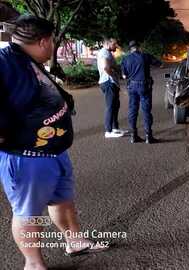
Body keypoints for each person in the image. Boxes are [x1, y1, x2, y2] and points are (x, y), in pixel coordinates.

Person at [0, 16, 108, 270]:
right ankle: (34, 264)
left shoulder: (27, 60)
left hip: (54, 152)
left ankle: (75, 241)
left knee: (63, 201)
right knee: (28, 213)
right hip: (27, 157)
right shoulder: (6, 63)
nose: (53, 49)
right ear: (44, 41)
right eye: (53, 44)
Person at [121, 41, 162, 144]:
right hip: (144, 86)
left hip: (132, 86)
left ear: (130, 49)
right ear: (139, 47)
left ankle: (133, 136)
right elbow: (160, 64)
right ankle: (148, 136)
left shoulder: (125, 59)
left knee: (132, 110)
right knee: (146, 111)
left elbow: (124, 76)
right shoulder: (145, 56)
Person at [97, 38, 125, 138]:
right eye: (114, 44)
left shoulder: (107, 52)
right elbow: (105, 67)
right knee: (110, 106)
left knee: (115, 105)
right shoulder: (104, 52)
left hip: (111, 83)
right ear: (108, 44)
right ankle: (108, 131)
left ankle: (115, 128)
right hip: (108, 82)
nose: (116, 46)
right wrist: (113, 75)